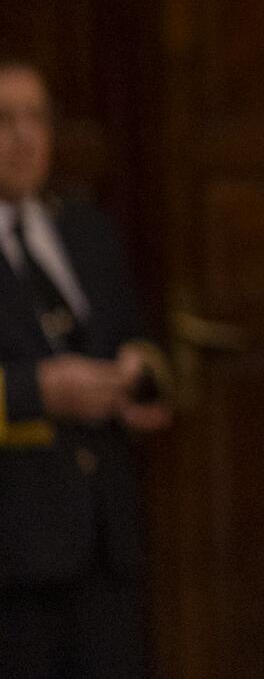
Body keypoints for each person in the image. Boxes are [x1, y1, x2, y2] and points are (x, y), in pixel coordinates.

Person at [0, 58, 171, 678]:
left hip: (106, 543)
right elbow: (36, 386)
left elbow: (142, 340)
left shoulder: (85, 228)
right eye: (3, 120)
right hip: (15, 555)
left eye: (35, 117)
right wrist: (37, 391)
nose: (23, 137)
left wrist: (138, 375)